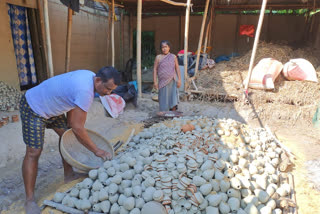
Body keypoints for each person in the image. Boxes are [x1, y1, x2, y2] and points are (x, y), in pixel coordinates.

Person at [20, 66, 121, 214]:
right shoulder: (86, 91)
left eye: (111, 90)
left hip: (53, 107)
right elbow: (78, 127)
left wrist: (72, 129)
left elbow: (73, 111)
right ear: (98, 80)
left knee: (67, 137)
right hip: (34, 107)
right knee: (34, 152)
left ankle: (69, 175)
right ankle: (29, 200)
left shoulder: (90, 76)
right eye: (107, 89)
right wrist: (97, 150)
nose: (108, 93)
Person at [153, 40, 181, 112]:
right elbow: (155, 69)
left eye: (166, 47)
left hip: (172, 80)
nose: (164, 49)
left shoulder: (173, 57)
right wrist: (155, 82)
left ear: (169, 48)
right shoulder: (158, 57)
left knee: (173, 98)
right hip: (162, 82)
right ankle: (163, 113)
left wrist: (179, 80)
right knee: (163, 98)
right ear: (161, 48)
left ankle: (173, 114)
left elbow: (177, 68)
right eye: (163, 47)